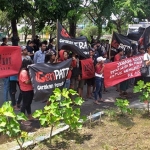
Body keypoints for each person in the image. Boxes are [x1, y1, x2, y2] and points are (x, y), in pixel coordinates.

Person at [19, 58, 33, 126]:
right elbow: (27, 82)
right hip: (25, 90)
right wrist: (33, 79)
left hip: (29, 89)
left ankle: (29, 116)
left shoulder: (27, 71)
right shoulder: (24, 72)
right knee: (24, 104)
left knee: (28, 103)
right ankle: (22, 120)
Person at [1, 37, 9, 102]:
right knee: (6, 86)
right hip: (6, 70)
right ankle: (6, 101)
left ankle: (6, 100)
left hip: (3, 70)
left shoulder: (1, 47)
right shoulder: (5, 47)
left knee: (6, 86)